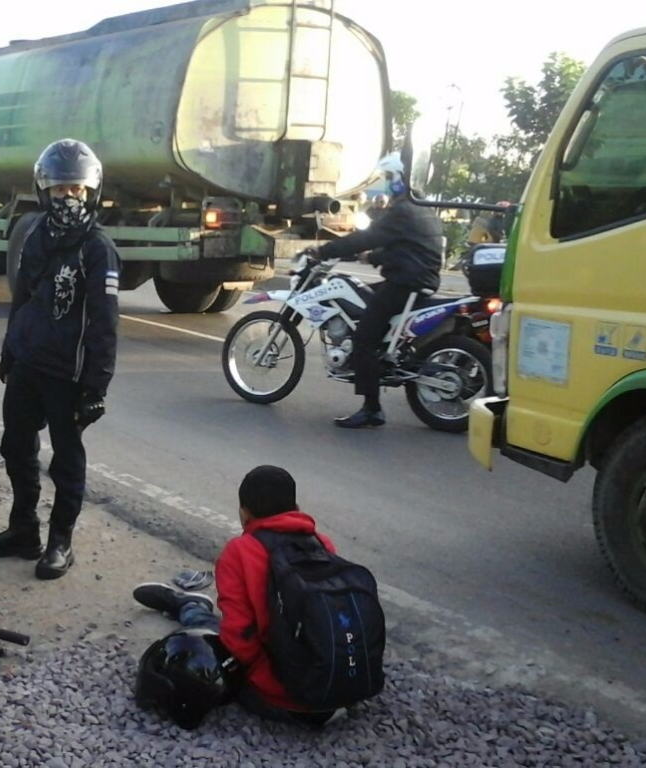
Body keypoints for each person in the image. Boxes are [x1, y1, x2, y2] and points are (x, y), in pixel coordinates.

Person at [0, 139, 120, 580]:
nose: (68, 198)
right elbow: (22, 296)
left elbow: (104, 323)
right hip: (27, 365)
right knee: (16, 449)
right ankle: (24, 531)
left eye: (76, 190)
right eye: (59, 190)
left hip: (69, 376)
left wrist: (96, 388)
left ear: (91, 191)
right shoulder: (36, 233)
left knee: (66, 460)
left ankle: (60, 542)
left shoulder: (98, 249)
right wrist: (9, 349)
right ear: (44, 191)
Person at [132, 465, 338, 727]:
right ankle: (191, 606)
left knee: (208, 633)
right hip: (340, 686)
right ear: (296, 508)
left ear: (244, 513)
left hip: (284, 699)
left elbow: (238, 640)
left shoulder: (240, 551)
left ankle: (189, 605)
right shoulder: (322, 543)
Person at [315, 152, 443, 429]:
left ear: (399, 179)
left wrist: (323, 250)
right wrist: (371, 257)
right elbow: (405, 250)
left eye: (388, 178)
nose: (386, 184)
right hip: (413, 278)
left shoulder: (402, 211)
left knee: (363, 339)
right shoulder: (420, 207)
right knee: (361, 297)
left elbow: (366, 237)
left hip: (405, 284)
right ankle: (382, 357)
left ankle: (372, 409)